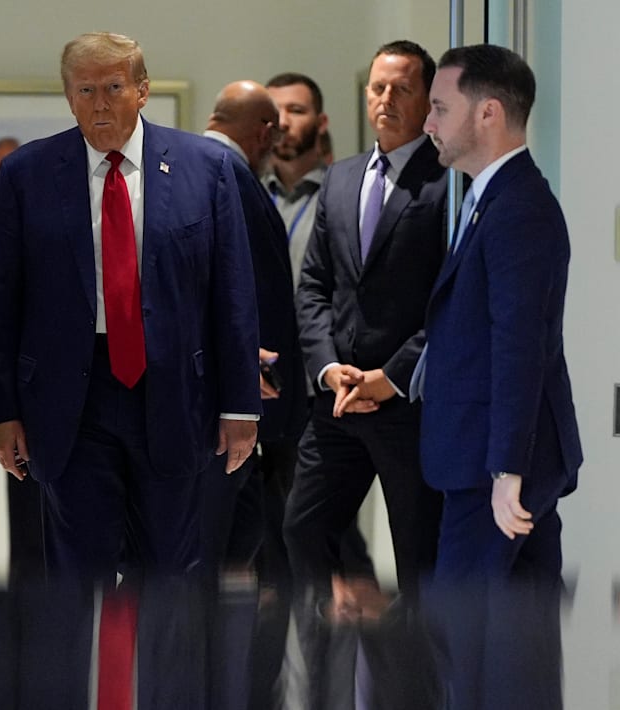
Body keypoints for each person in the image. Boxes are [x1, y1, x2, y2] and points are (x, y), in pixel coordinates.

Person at [0, 31, 260, 710]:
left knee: (171, 579)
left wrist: (240, 407)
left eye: (113, 87)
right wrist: (3, 411)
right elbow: (1, 301)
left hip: (175, 396)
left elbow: (233, 294)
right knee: (76, 582)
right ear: (67, 95)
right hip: (68, 404)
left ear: (142, 89)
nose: (100, 103)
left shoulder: (205, 168)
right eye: (85, 89)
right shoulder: (27, 174)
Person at [414, 43, 582, 710]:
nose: (428, 122)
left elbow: (520, 346)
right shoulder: (492, 198)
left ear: (487, 113)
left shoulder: (519, 207)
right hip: (484, 462)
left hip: (496, 470)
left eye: (439, 107)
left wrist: (506, 469)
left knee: (481, 652)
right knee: (507, 653)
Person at [285, 39, 449, 709]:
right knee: (302, 527)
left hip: (409, 405)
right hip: (339, 403)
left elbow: (450, 300)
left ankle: (418, 691)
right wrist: (329, 370)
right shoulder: (343, 178)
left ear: (428, 100)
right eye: (378, 87)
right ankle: (351, 654)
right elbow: (314, 287)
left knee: (418, 559)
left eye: (401, 88)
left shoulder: (448, 182)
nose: (385, 99)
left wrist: (392, 374)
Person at [200, 79, 307, 710]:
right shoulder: (232, 177)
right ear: (264, 132)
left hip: (221, 403)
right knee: (234, 557)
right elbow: (255, 295)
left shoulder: (191, 167)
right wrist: (266, 394)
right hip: (242, 408)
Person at [264, 72, 329, 291]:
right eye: (274, 112)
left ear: (321, 123)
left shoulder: (340, 194)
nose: (282, 122)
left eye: (296, 111)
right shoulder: (247, 192)